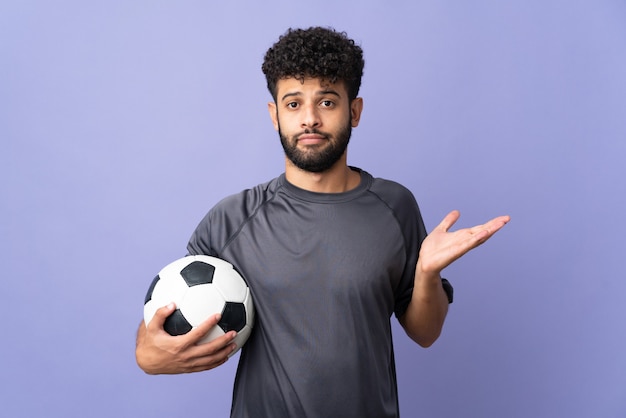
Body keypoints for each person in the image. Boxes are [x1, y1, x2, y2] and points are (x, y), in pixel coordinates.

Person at [136, 26, 510, 417]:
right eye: (294, 104)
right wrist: (149, 354)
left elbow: (425, 333)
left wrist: (428, 273)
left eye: (327, 102)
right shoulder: (233, 219)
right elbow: (162, 322)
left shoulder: (394, 205)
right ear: (274, 114)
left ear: (355, 111)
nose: (309, 119)